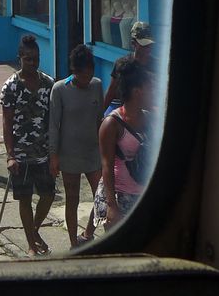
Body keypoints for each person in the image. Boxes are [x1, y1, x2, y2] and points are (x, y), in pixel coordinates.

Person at [1, 35, 57, 256]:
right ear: (20, 58)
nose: (33, 63)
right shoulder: (11, 86)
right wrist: (10, 155)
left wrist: (55, 154)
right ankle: (31, 244)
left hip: (43, 152)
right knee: (24, 199)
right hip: (21, 154)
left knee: (48, 195)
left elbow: (53, 120)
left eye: (36, 58)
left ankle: (33, 230)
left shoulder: (49, 84)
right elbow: (6, 122)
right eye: (29, 59)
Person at [49, 44, 104, 246]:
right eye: (83, 75)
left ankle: (88, 233)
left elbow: (100, 119)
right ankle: (73, 242)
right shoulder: (60, 89)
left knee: (101, 195)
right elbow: (54, 125)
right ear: (75, 71)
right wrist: (53, 155)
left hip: (93, 151)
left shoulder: (97, 85)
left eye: (90, 74)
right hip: (69, 153)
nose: (87, 79)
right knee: (72, 198)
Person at [96, 63, 152, 230]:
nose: (154, 93)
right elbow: (106, 165)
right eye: (151, 88)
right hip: (121, 198)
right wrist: (112, 206)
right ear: (137, 92)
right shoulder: (111, 124)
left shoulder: (150, 119)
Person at [104, 20, 155, 115]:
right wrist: (101, 114)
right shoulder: (122, 65)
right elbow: (111, 91)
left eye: (150, 44)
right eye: (144, 45)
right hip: (127, 114)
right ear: (133, 44)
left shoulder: (157, 66)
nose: (148, 48)